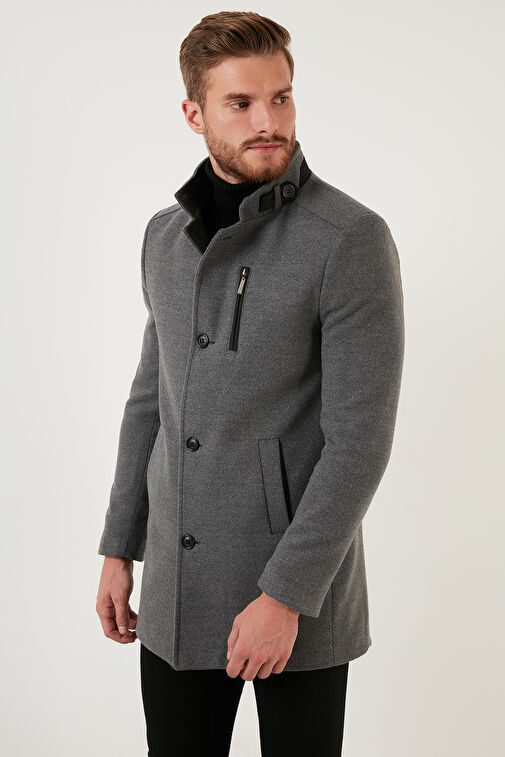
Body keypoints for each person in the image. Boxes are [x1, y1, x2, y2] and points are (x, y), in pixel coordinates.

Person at [96, 10, 405, 756]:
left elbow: (359, 441)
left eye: (281, 97)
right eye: (240, 103)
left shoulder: (348, 239)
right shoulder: (163, 237)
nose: (269, 121)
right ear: (194, 114)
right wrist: (118, 545)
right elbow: (150, 399)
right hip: (177, 583)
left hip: (296, 590)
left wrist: (285, 595)